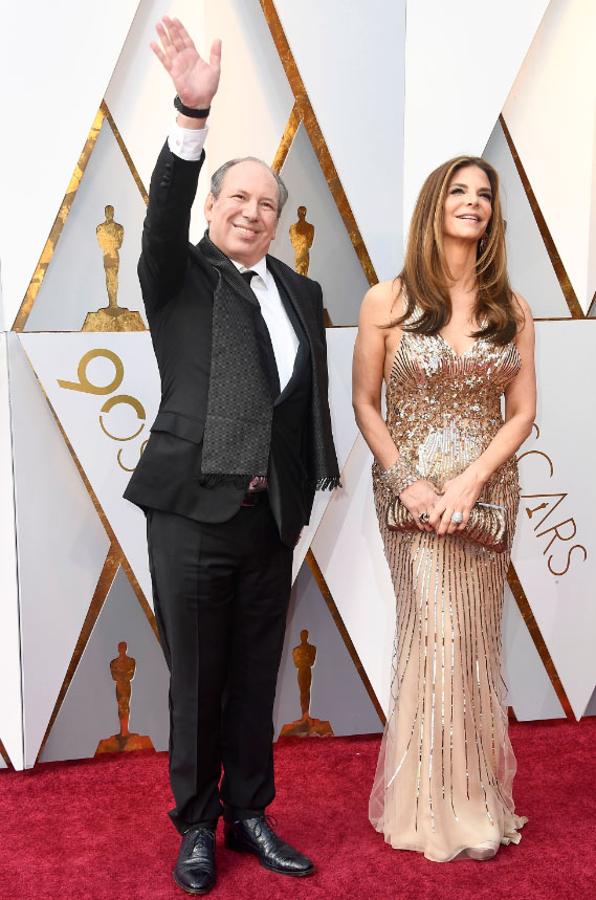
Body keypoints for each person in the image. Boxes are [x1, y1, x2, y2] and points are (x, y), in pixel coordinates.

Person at [124, 17, 339, 895]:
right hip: (191, 509)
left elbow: (299, 405)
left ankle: (251, 811)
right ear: (214, 209)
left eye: (268, 206)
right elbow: (164, 204)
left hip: (269, 515)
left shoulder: (300, 290)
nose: (253, 213)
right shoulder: (175, 274)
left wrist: (301, 491)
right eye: (237, 200)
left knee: (255, 671)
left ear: (280, 222)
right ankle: (197, 827)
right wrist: (190, 113)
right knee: (196, 681)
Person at [352, 155, 535, 862]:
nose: (473, 203)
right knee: (438, 639)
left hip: (487, 494)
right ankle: (431, 808)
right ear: (435, 206)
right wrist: (410, 482)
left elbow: (520, 413)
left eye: (484, 195)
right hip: (412, 499)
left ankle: (472, 800)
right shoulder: (387, 300)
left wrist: (472, 483)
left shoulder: (510, 309)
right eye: (459, 192)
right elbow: (368, 404)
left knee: (475, 642)